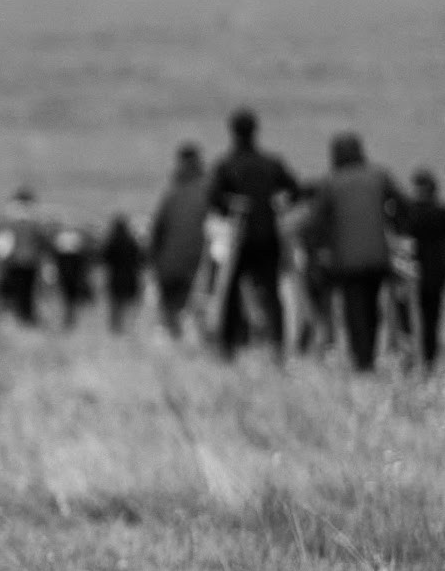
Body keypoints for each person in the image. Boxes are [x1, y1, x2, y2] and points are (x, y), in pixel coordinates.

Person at [207, 108, 300, 363]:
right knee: (272, 293)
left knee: (230, 295)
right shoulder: (271, 164)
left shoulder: (226, 165)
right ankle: (278, 346)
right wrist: (276, 205)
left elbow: (213, 200)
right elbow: (295, 190)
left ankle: (228, 348)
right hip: (268, 237)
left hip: (239, 238)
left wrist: (232, 206)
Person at [312, 131, 404, 373]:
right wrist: (396, 230)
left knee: (354, 310)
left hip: (346, 260)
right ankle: (369, 355)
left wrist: (321, 252)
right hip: (378, 257)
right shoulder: (380, 176)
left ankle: (361, 360)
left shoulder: (330, 182)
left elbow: (316, 221)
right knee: (372, 307)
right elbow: (403, 206)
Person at [147, 143, 209, 339]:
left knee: (172, 313)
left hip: (169, 265)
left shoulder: (171, 194)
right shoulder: (206, 191)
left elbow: (157, 232)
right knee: (194, 311)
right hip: (195, 264)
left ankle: (177, 346)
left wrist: (154, 262)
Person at [397, 167, 445, 368]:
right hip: (438, 271)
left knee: (412, 318)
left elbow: (405, 239)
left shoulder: (410, 211)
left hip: (415, 271)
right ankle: (429, 360)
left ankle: (412, 359)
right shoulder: (442, 210)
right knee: (432, 319)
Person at [0, 186, 50, 326]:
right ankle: (22, 319)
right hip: (21, 264)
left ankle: (21, 319)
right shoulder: (31, 224)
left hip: (18, 264)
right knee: (20, 294)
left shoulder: (9, 223)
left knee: (20, 294)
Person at [100, 212, 143, 333]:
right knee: (127, 304)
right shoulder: (132, 242)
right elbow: (141, 260)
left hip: (115, 277)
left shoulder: (111, 242)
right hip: (130, 277)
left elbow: (104, 258)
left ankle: (115, 328)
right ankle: (127, 328)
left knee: (115, 304)